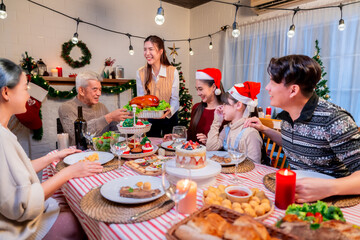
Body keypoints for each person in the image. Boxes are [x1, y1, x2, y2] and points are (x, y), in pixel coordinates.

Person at [0, 58, 103, 239]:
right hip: (17, 230)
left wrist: (53, 157)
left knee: (72, 205)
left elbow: (16, 172)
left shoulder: (4, 131)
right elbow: (23, 205)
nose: (28, 96)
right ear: (6, 92)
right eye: (25, 88)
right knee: (88, 219)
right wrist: (69, 172)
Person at [244, 54, 360, 203]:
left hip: (334, 202)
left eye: (273, 81)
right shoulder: (287, 115)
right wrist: (265, 129)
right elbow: (295, 143)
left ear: (293, 90)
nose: (267, 87)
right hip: (297, 195)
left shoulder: (334, 120)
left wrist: (330, 187)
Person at [59, 70, 131, 145]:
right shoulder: (66, 108)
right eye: (95, 89)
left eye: (100, 89)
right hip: (80, 154)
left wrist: (129, 125)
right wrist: (108, 117)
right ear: (81, 91)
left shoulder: (101, 106)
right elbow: (77, 135)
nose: (99, 93)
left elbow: (115, 130)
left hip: (104, 152)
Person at [164, 68, 225, 144]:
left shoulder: (224, 111)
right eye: (197, 89)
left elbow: (227, 144)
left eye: (200, 89)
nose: (198, 93)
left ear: (213, 87)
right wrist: (177, 137)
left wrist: (208, 142)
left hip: (213, 155)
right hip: (195, 154)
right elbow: (191, 136)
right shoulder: (196, 108)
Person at [206, 82, 263, 163]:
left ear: (238, 105)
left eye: (225, 104)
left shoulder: (250, 133)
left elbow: (255, 165)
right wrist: (217, 121)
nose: (222, 108)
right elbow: (210, 148)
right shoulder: (228, 128)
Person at [136, 35, 179, 137]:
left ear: (160, 51)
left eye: (151, 49)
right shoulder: (140, 72)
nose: (147, 53)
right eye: (145, 49)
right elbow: (140, 99)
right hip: (150, 118)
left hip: (169, 117)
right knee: (151, 147)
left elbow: (175, 98)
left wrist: (170, 110)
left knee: (169, 147)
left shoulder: (172, 71)